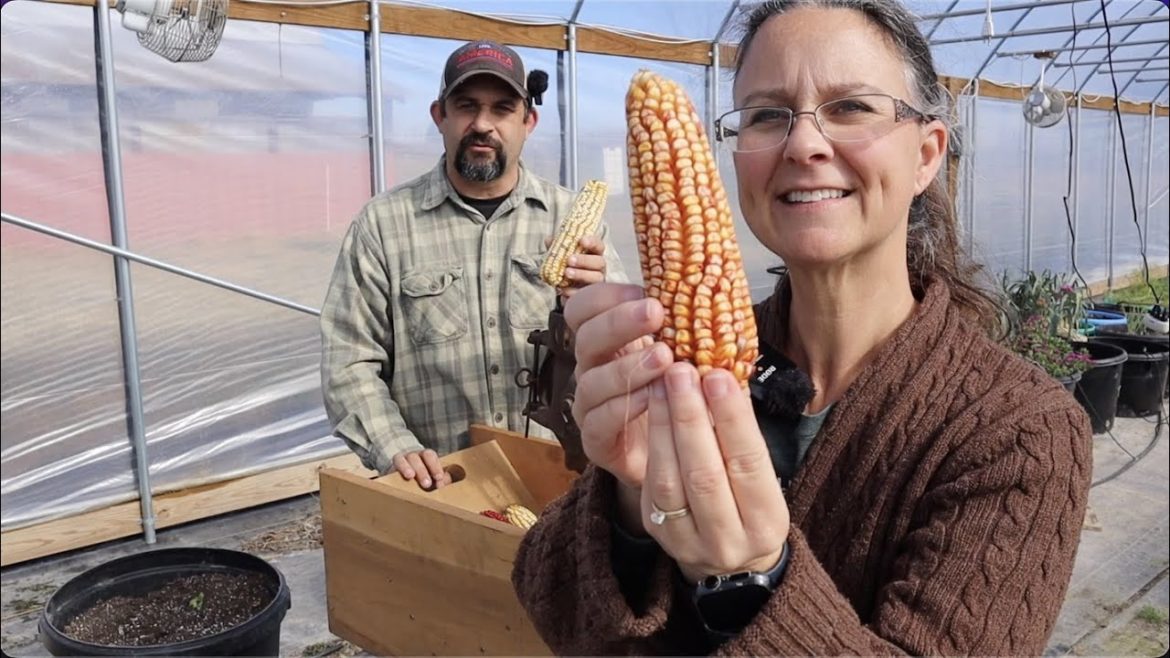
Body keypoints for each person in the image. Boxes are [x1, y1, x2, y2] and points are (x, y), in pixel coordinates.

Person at [511, 1, 1092, 655]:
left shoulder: (1020, 432)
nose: (804, 143)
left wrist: (753, 581)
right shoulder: (675, 362)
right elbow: (551, 605)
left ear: (927, 154)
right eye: (767, 114)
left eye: (849, 108)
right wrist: (624, 501)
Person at [320, 39, 625, 490]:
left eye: (502, 108)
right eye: (466, 106)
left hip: (561, 483)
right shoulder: (382, 226)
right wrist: (395, 449)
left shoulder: (574, 221)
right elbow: (349, 361)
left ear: (528, 122)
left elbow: (627, 359)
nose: (483, 124)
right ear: (439, 116)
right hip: (444, 489)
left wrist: (595, 312)